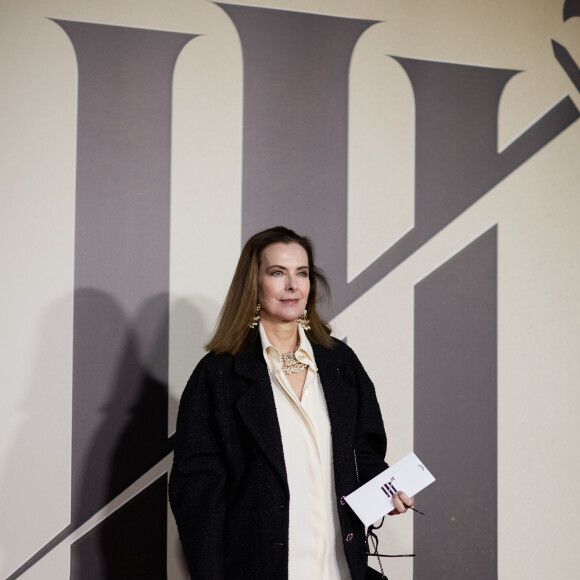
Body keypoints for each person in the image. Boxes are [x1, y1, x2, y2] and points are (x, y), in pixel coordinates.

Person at [169, 226, 414, 580]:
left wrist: (384, 491)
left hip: (340, 568)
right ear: (253, 283)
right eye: (277, 273)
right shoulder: (218, 375)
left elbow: (365, 451)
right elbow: (198, 497)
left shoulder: (339, 363)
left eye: (302, 273)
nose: (292, 285)